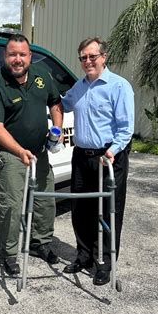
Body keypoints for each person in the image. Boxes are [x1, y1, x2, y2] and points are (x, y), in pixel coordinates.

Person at [0, 34, 63, 276]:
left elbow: (56, 103)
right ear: (5, 57)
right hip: (10, 155)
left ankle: (41, 243)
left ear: (30, 56)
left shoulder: (41, 76)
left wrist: (56, 130)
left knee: (45, 200)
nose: (18, 59)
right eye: (12, 54)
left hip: (40, 153)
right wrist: (19, 151)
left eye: (22, 54)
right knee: (11, 207)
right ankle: (9, 254)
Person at [61, 37, 134, 286]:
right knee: (81, 209)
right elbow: (61, 104)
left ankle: (105, 262)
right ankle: (84, 256)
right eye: (83, 57)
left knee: (109, 211)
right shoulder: (78, 87)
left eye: (92, 56)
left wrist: (112, 151)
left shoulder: (119, 86)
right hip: (81, 156)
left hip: (109, 156)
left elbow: (126, 129)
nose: (88, 61)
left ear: (104, 57)